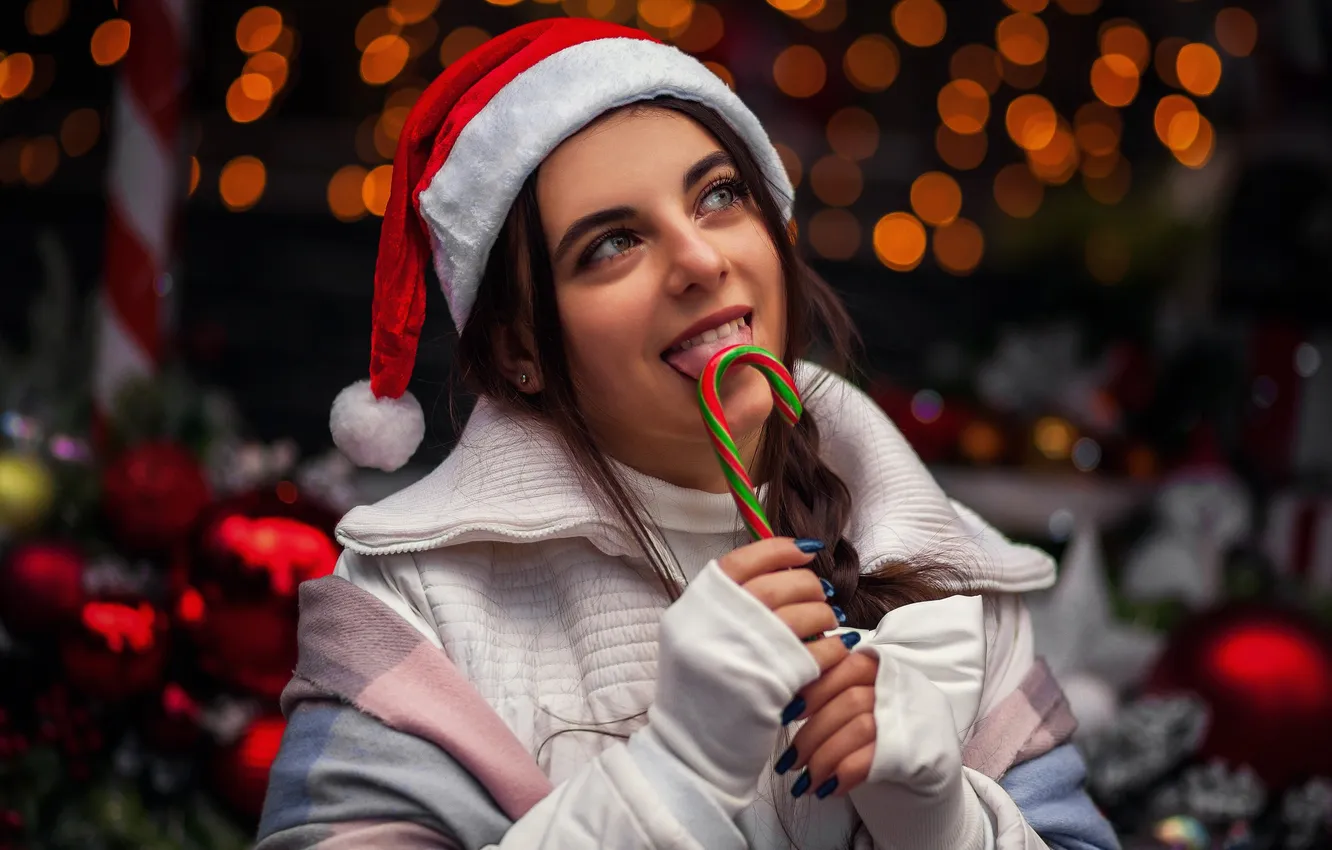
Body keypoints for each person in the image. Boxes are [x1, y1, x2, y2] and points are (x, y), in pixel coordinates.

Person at [257, 18, 1120, 850]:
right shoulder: (414, 604)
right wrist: (673, 771)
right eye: (613, 243)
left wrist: (945, 827)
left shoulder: (954, 569)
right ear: (521, 349)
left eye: (718, 196)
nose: (702, 260)